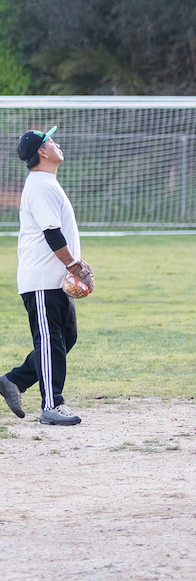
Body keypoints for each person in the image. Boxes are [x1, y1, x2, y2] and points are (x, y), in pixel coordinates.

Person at [0, 127, 94, 426]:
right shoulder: (40, 185)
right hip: (41, 278)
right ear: (42, 151)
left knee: (66, 337)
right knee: (51, 339)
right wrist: (74, 267)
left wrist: (77, 261)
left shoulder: (47, 183)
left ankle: (13, 380)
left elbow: (59, 232)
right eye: (51, 141)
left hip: (53, 278)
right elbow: (52, 234)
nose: (56, 144)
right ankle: (52, 405)